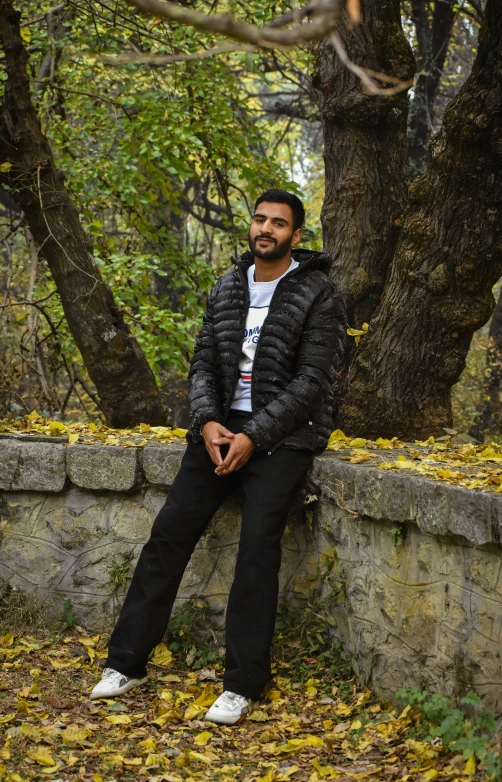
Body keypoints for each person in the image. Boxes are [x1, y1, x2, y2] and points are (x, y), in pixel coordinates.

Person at [90, 189, 346, 725]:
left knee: (257, 548)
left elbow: (313, 382)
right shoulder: (228, 287)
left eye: (279, 223)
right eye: (260, 219)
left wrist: (254, 434)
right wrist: (207, 422)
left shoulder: (319, 293)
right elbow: (203, 363)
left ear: (296, 236)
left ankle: (242, 684)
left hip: (283, 439)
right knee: (169, 533)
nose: (266, 229)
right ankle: (126, 663)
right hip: (217, 433)